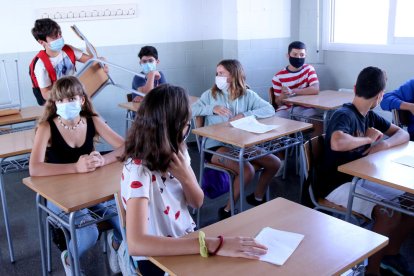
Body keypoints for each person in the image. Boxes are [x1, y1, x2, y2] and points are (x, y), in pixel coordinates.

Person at [120, 84, 268, 275]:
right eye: (186, 122)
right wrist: (213, 244)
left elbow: (197, 202)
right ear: (173, 125)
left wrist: (186, 176)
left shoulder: (179, 151)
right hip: (156, 256)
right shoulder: (139, 169)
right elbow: (137, 244)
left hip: (188, 238)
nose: (188, 126)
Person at [320, 66, 414, 276]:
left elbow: (402, 134)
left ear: (355, 87)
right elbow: (337, 141)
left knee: (411, 201)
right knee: (389, 215)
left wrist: (384, 145)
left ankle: (390, 253)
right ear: (381, 96)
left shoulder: (369, 116)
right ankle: (372, 270)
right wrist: (369, 139)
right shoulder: (343, 113)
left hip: (359, 177)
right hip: (335, 184)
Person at [29, 76, 125, 276]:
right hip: (58, 194)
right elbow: (35, 169)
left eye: (71, 98)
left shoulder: (93, 120)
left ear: (82, 100)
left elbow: (126, 147)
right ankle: (69, 258)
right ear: (55, 104)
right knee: (89, 234)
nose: (66, 104)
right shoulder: (47, 127)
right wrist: (76, 167)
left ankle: (116, 246)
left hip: (91, 189)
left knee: (123, 221)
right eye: (61, 100)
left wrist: (103, 160)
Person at [192, 59, 281, 220]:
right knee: (247, 170)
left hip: (241, 143)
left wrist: (246, 115)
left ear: (233, 75)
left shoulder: (247, 94)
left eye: (221, 73)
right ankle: (227, 210)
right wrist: (212, 108)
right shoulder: (210, 95)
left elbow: (269, 109)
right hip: (214, 146)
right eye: (217, 73)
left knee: (274, 163)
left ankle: (257, 197)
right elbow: (192, 109)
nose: (217, 77)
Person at [30, 18, 96, 105]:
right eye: (54, 37)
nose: (59, 38)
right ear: (42, 42)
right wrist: (66, 96)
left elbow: (93, 60)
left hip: (70, 92)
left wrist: (85, 40)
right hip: (53, 100)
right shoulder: (40, 65)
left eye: (60, 34)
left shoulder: (68, 50)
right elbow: (45, 94)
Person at [271, 41, 319, 119]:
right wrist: (283, 95)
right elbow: (278, 103)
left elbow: (315, 89)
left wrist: (293, 91)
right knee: (277, 119)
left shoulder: (309, 69)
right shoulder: (278, 77)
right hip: (286, 109)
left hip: (305, 108)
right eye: (295, 54)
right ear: (288, 55)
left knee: (312, 117)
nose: (298, 58)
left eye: (302, 55)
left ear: (305, 55)